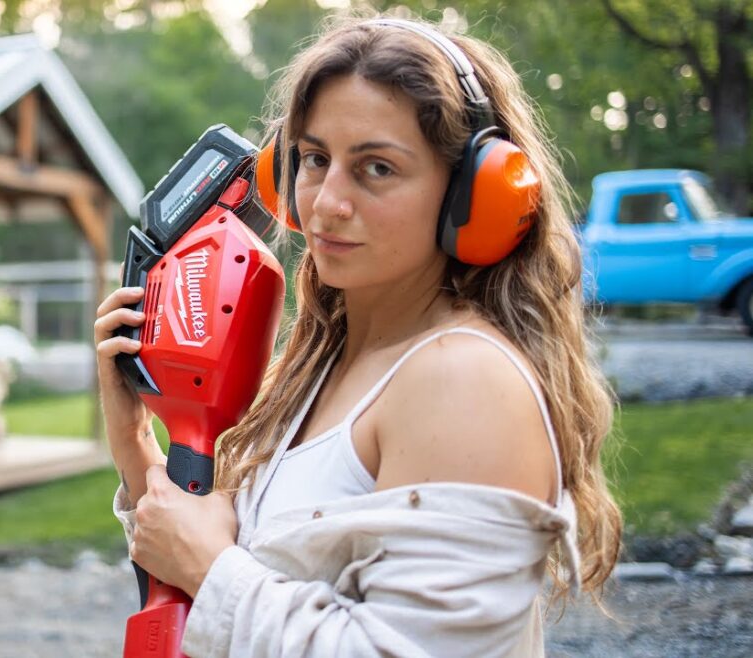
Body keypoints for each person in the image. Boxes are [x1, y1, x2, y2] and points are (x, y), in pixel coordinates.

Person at [94, 13, 621, 657]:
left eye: (376, 168)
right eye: (315, 159)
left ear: (472, 198)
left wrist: (211, 569)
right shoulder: (328, 367)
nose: (325, 203)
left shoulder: (463, 379)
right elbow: (206, 586)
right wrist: (134, 442)